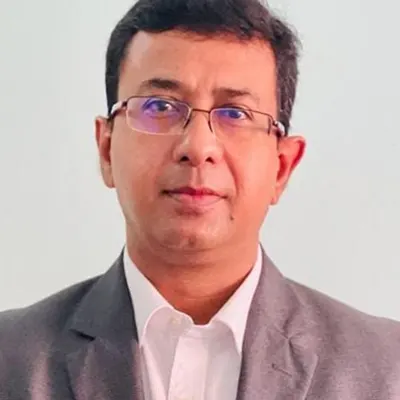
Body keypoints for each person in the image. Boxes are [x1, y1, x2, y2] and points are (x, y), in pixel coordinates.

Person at [1, 0, 399, 398]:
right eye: (159, 106)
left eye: (236, 113)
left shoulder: (385, 368)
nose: (198, 146)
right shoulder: (12, 359)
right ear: (106, 150)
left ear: (282, 167)